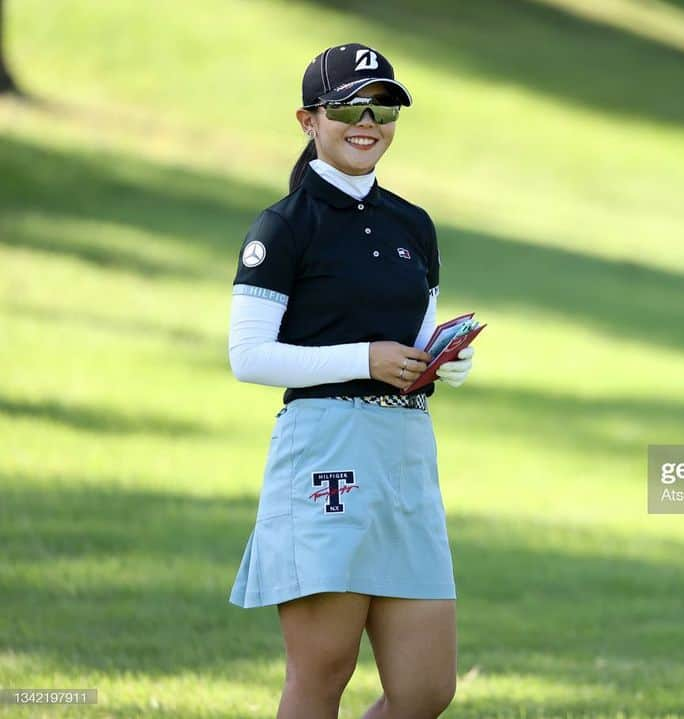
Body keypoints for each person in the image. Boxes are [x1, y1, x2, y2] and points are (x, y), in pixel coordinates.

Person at [226, 43, 475, 719]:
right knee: (322, 671)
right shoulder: (282, 229)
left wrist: (443, 360)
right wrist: (364, 358)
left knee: (426, 688)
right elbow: (248, 355)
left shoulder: (412, 225)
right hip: (325, 450)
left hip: (405, 454)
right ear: (309, 120)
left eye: (384, 107)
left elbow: (416, 336)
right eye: (348, 107)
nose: (369, 122)